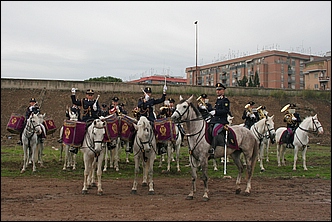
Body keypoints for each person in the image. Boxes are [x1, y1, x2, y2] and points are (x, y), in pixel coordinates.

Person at [137, 86, 167, 154]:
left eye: (149, 93)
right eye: (147, 93)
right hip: (142, 118)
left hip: (150, 118)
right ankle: (132, 144)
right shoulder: (141, 100)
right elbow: (139, 105)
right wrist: (144, 101)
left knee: (157, 129)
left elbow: (161, 100)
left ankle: (160, 146)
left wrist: (164, 93)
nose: (148, 94)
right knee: (135, 129)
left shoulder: (152, 100)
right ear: (144, 93)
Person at [70, 88, 101, 154]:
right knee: (79, 130)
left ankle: (106, 144)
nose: (90, 96)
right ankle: (76, 146)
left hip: (93, 119)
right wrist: (73, 94)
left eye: (91, 95)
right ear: (86, 95)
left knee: (101, 129)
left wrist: (95, 109)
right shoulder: (82, 101)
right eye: (89, 95)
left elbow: (99, 111)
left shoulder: (95, 102)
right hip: (85, 120)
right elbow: (74, 102)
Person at [204, 83, 230, 158]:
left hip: (222, 121)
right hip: (215, 120)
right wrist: (209, 108)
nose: (218, 91)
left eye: (219, 90)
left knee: (215, 130)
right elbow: (215, 110)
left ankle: (213, 148)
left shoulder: (225, 100)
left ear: (223, 91)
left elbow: (226, 111)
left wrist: (216, 112)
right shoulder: (218, 100)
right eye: (217, 90)